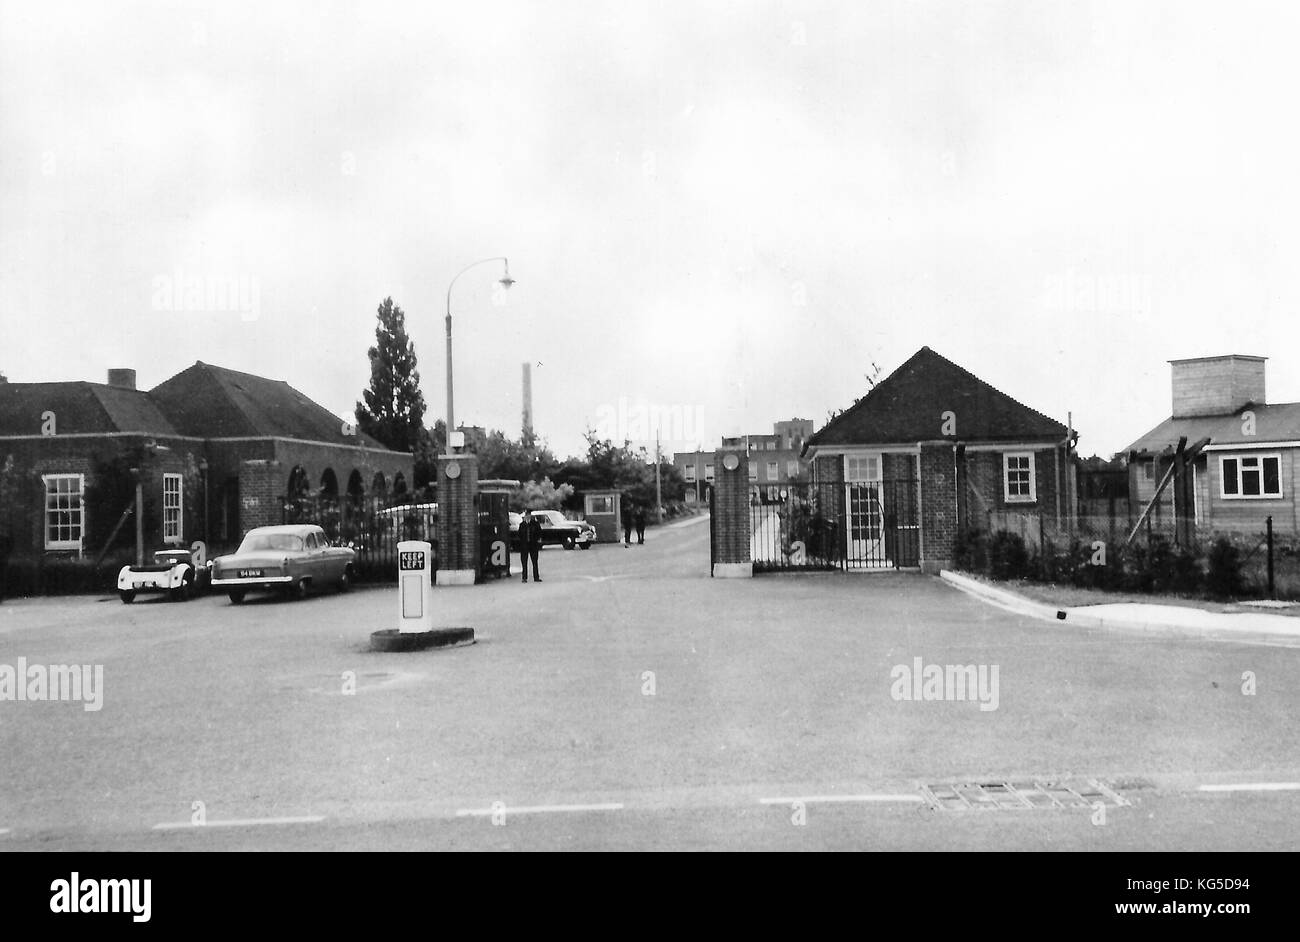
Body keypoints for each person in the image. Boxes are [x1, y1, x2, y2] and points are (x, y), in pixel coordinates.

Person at [520, 509, 544, 583]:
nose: (527, 516)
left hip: (533, 545)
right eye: (526, 515)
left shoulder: (535, 524)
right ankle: (524, 578)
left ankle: (536, 577)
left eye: (528, 515)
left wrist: (537, 540)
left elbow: (539, 532)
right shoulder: (522, 525)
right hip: (524, 546)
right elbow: (520, 534)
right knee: (524, 562)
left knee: (534, 562)